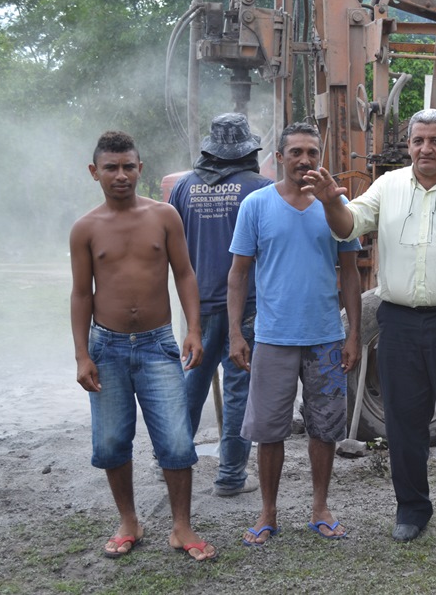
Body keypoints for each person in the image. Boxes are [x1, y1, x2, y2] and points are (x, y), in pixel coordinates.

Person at [303, 108, 436, 547]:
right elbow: (349, 223)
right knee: (404, 423)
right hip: (399, 321)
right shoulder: (389, 186)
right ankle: (412, 509)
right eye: (418, 140)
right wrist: (329, 202)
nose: (425, 149)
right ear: (410, 146)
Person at [70, 131, 218, 562]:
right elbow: (82, 294)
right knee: (112, 441)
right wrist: (82, 355)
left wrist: (193, 329)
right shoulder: (86, 228)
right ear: (94, 172)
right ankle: (128, 521)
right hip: (107, 348)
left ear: (141, 168)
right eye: (111, 168)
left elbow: (184, 274)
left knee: (175, 440)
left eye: (129, 166)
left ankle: (181, 526)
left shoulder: (164, 216)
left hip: (157, 346)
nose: (121, 175)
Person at [228, 122, 362, 546]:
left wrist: (354, 333)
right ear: (280, 157)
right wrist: (235, 332)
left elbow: (353, 274)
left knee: (325, 428)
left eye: (312, 152)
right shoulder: (256, 205)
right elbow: (238, 273)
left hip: (325, 337)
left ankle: (319, 507)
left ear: (321, 157)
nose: (305, 160)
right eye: (297, 152)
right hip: (272, 337)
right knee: (270, 430)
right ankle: (267, 513)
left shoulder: (335, 204)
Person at [168, 112, 272, 497]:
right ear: (248, 149)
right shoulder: (261, 189)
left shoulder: (182, 188)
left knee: (188, 390)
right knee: (239, 392)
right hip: (243, 308)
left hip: (195, 310)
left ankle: (171, 462)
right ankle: (230, 478)